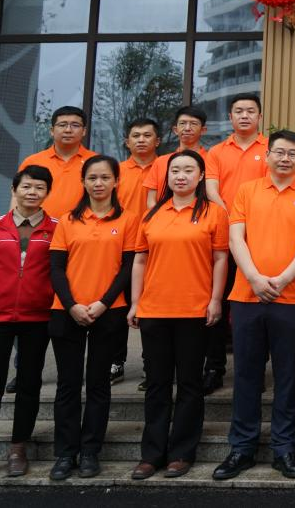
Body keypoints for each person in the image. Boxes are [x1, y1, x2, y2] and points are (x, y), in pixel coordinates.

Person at [213, 130, 295, 482]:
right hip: (247, 296)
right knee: (246, 375)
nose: (285, 158)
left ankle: (285, 448)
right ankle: (242, 447)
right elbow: (236, 238)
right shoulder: (247, 190)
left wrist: (283, 280)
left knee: (288, 377)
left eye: (292, 153)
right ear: (268, 155)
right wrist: (255, 278)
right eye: (280, 152)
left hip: (290, 299)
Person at [127, 150, 229, 480]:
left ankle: (182, 452)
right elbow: (139, 261)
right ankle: (151, 454)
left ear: (201, 177)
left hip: (194, 310)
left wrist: (216, 300)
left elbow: (220, 259)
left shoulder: (214, 213)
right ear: (167, 177)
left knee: (189, 383)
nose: (181, 176)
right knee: (157, 384)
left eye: (188, 170)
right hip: (154, 309)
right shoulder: (152, 214)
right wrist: (135, 302)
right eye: (175, 171)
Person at [48, 155, 138, 480]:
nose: (98, 183)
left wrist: (103, 303)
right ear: (83, 182)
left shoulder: (128, 220)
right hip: (66, 312)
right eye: (92, 178)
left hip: (108, 312)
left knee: (99, 384)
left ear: (116, 181)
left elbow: (128, 268)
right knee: (68, 384)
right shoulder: (67, 221)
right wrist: (72, 304)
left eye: (104, 178)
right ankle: (65, 453)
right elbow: (56, 268)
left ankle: (90, 451)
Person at [0, 166, 56, 483]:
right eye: (27, 186)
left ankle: (18, 448)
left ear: (47, 193)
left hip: (38, 317)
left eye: (40, 187)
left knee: (29, 382)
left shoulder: (56, 229)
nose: (33, 192)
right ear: (14, 189)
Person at [202, 94, 269, 396]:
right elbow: (211, 189)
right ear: (230, 117)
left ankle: (257, 367)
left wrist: (247, 222)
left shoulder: (269, 150)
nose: (244, 115)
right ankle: (214, 367)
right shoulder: (216, 151)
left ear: (259, 117)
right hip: (223, 234)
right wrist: (232, 219)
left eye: (250, 111)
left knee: (257, 302)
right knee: (218, 299)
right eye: (238, 111)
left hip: (258, 237)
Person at [111, 117, 161, 387]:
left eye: (147, 135)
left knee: (152, 309)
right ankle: (116, 362)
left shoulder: (167, 168)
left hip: (157, 247)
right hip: (121, 246)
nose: (141, 140)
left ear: (158, 141)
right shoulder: (116, 172)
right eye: (136, 135)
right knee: (119, 305)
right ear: (126, 141)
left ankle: (151, 365)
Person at [19, 106, 95, 218]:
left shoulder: (95, 162)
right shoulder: (33, 161)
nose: (68, 130)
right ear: (52, 131)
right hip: (38, 225)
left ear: (84, 131)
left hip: (83, 226)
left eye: (75, 125)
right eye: (62, 125)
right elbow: (18, 197)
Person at [144, 106, 209, 210]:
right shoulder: (160, 162)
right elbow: (151, 200)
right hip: (163, 217)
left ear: (203, 130)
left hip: (201, 217)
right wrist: (164, 217)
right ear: (175, 130)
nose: (187, 128)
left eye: (193, 123)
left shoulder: (212, 160)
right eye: (182, 123)